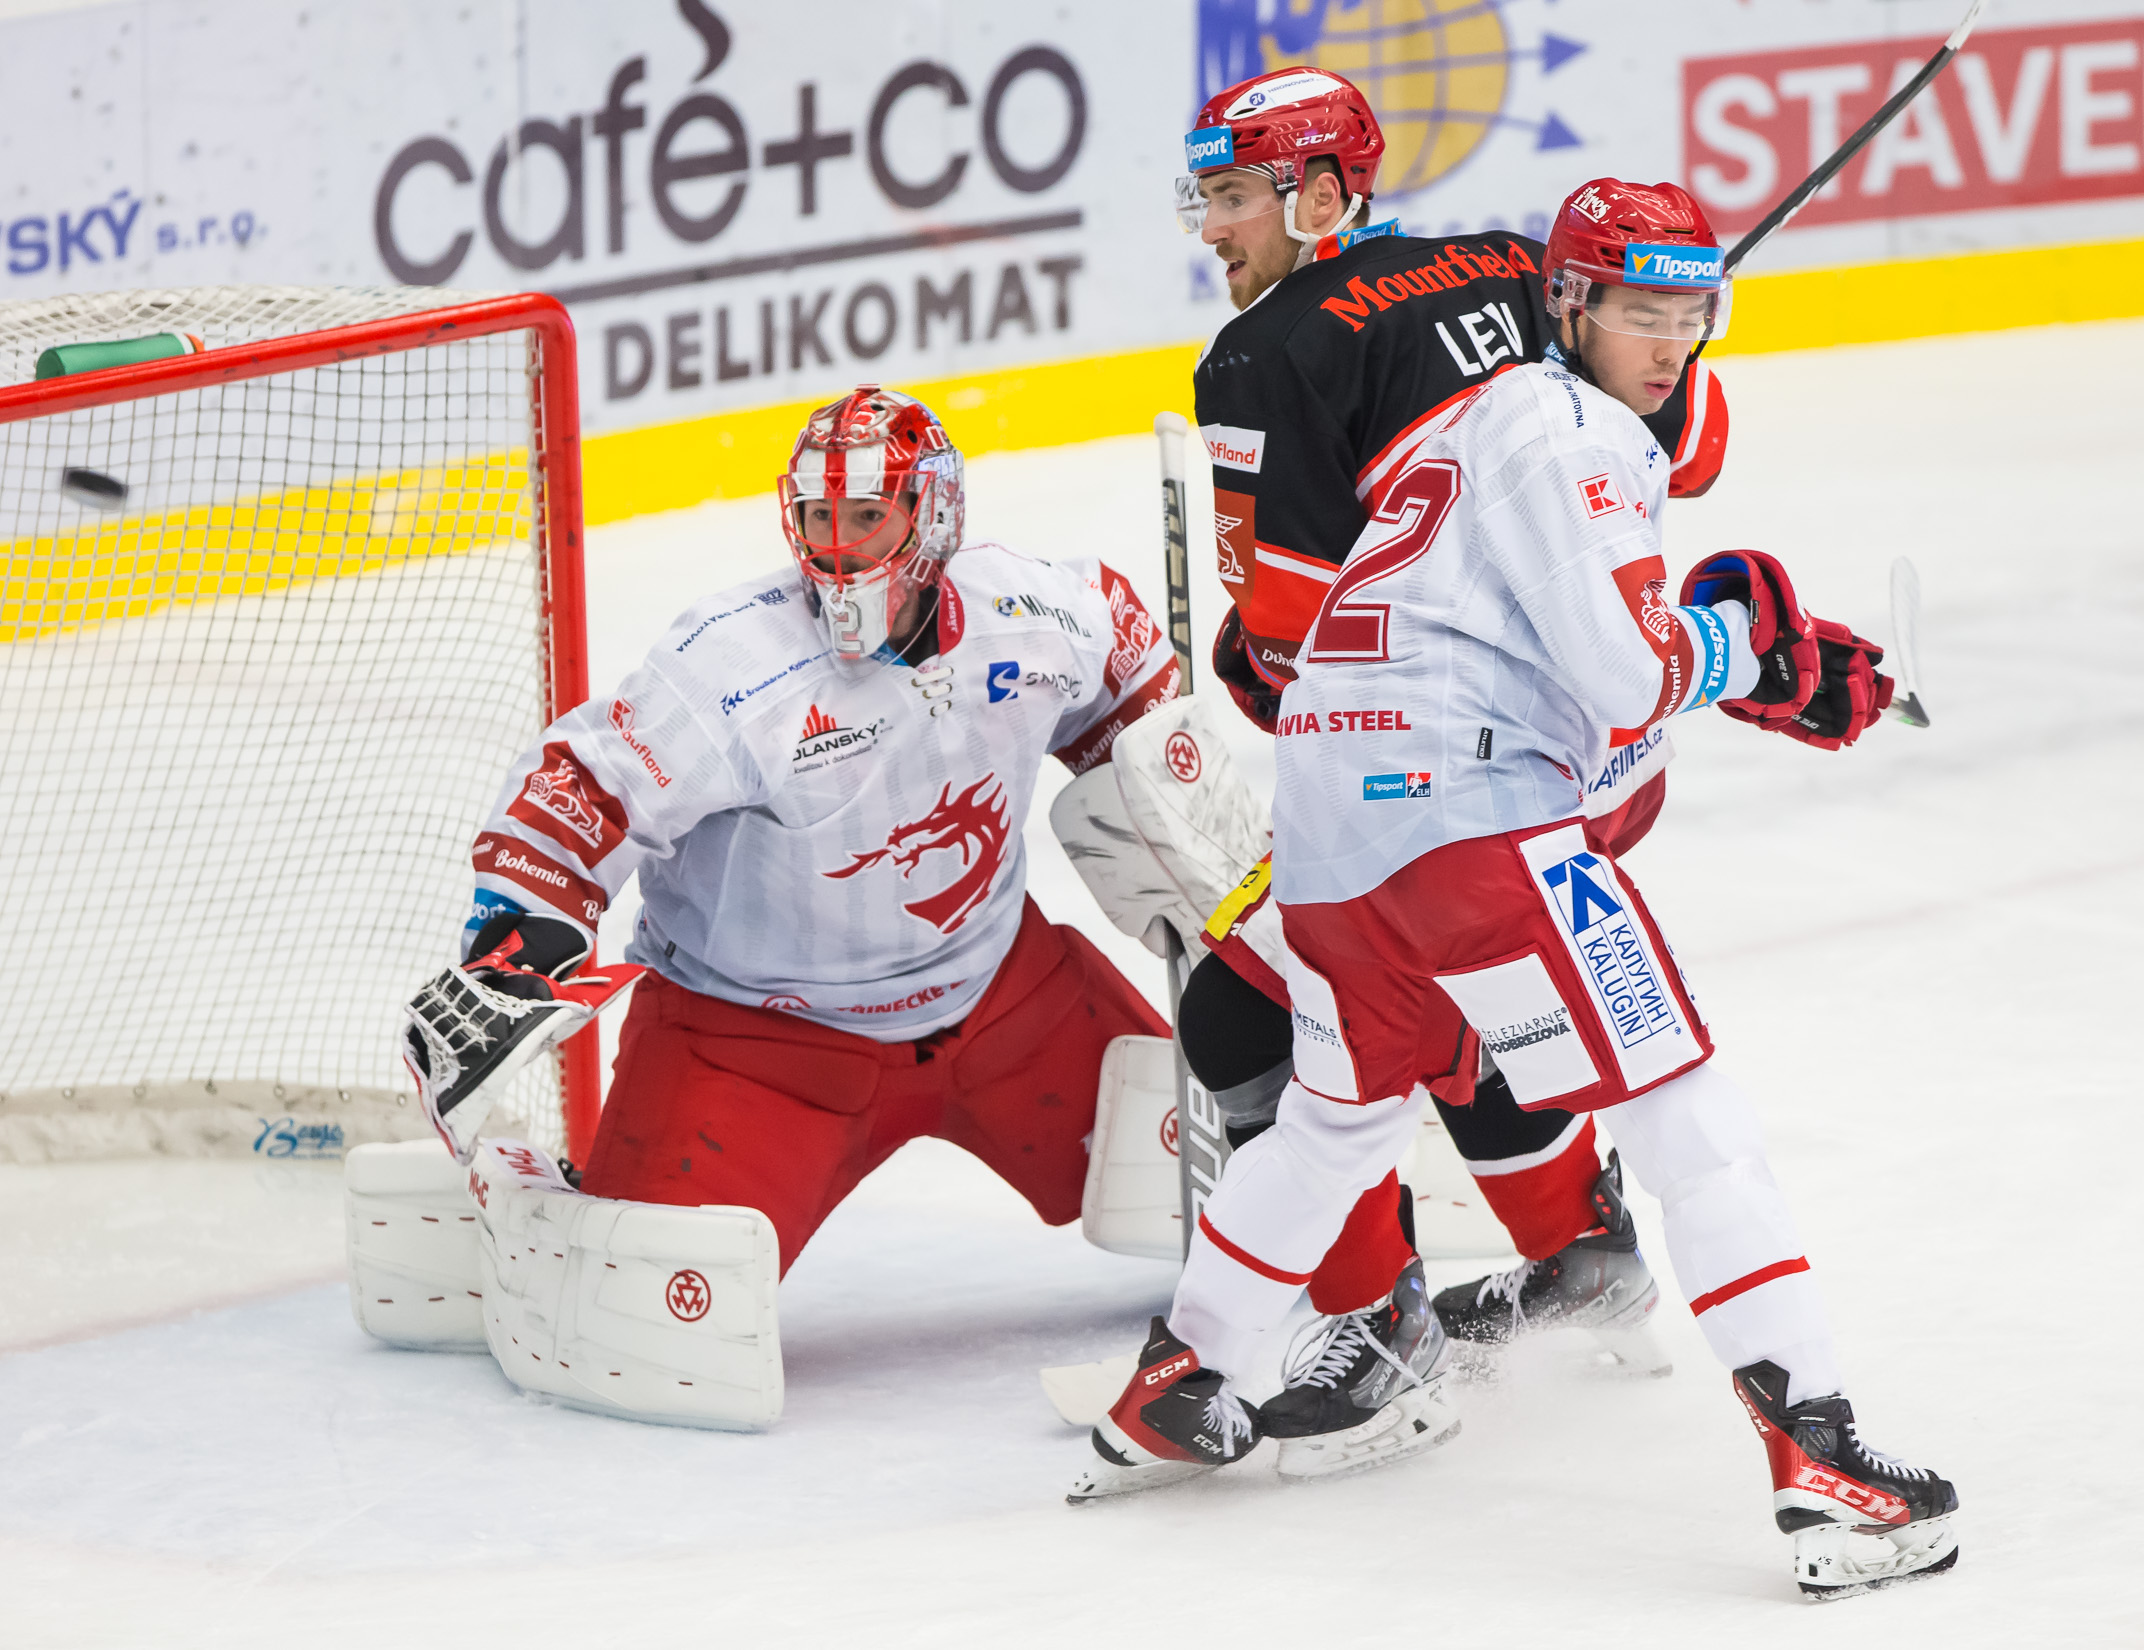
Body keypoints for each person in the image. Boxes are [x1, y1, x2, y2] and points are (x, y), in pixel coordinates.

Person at [1081, 179, 1957, 1605]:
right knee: (1688, 1120)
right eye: (1641, 310)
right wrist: (1750, 650)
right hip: (1467, 822)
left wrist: (1742, 651)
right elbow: (1622, 677)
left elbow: (1545, 653)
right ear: (1565, 303)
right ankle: (1824, 1465)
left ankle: (1180, 1381)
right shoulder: (1577, 433)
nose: (1672, 344)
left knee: (1333, 1121)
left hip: (1331, 845)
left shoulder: (1472, 423)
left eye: (1695, 312)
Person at [374, 385, 1234, 1430]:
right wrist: (516, 942)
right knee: (640, 1328)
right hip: (757, 1046)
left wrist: (1165, 787)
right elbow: (583, 784)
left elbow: (1125, 666)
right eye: (819, 517)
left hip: (1005, 1004)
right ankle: (515, 1194)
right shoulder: (735, 665)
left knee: (1231, 1183)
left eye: (866, 515)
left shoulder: (1036, 612)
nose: (837, 547)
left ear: (933, 515)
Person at [1164, 66, 1732, 1422]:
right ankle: (1580, 1249)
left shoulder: (1260, 352)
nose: (1212, 229)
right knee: (1470, 997)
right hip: (1606, 735)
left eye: (1235, 196)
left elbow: (1292, 641)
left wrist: (1248, 664)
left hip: (1450, 765)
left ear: (1319, 196)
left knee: (1245, 1010)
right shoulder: (1515, 262)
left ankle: (1376, 1322)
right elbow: (1695, 447)